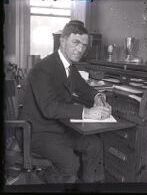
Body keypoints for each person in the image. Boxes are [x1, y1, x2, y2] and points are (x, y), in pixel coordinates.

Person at [20, 20, 111, 183]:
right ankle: (46, 178)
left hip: (59, 128)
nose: (80, 49)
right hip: (38, 133)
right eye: (76, 42)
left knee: (95, 144)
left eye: (84, 45)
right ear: (62, 41)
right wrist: (87, 112)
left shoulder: (69, 67)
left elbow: (84, 88)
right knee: (71, 164)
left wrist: (98, 97)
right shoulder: (43, 68)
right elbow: (49, 108)